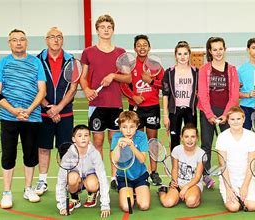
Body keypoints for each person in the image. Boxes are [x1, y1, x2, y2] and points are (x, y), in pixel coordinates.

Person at [0, 29, 46, 208]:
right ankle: (7, 192)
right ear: (9, 43)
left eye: (22, 39)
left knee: (30, 155)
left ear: (26, 42)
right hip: (8, 117)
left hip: (32, 117)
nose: (19, 43)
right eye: (14, 40)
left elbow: (42, 91)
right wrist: (14, 111)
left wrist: (29, 110)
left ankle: (28, 188)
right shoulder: (3, 63)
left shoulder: (36, 63)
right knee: (8, 155)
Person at [79, 14, 132, 190]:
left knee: (114, 142)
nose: (106, 29)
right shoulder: (88, 52)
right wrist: (86, 90)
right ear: (97, 30)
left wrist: (113, 76)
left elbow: (128, 78)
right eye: (102, 27)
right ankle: (99, 175)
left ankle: (115, 177)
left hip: (115, 104)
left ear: (113, 30)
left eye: (109, 26)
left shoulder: (120, 53)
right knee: (98, 142)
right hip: (96, 105)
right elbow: (83, 77)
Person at [34, 27, 78, 196]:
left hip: (65, 113)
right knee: (44, 148)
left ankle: (67, 180)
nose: (56, 40)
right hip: (43, 113)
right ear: (46, 40)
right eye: (52, 37)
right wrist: (48, 107)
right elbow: (35, 86)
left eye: (59, 37)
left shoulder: (71, 61)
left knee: (65, 148)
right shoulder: (38, 60)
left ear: (62, 39)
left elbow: (73, 88)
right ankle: (42, 181)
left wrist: (58, 108)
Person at [121, 34, 164, 186]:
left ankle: (154, 172)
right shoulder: (129, 65)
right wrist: (133, 96)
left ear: (149, 47)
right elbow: (123, 85)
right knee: (134, 140)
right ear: (134, 48)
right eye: (139, 45)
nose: (142, 47)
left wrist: (151, 81)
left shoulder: (155, 65)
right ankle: (136, 171)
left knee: (152, 140)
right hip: (135, 109)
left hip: (152, 107)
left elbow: (163, 85)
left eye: (144, 44)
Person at [198, 37, 239, 189]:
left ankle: (231, 173)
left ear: (225, 49)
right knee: (206, 145)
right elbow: (202, 94)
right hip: (207, 111)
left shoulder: (232, 70)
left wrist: (226, 114)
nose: (218, 52)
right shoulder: (204, 70)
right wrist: (209, 114)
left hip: (226, 112)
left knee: (228, 144)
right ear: (210, 51)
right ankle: (206, 175)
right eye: (214, 49)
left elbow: (234, 95)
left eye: (220, 49)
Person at [55, 125, 110, 217]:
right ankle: (75, 198)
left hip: (90, 177)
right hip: (76, 179)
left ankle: (92, 193)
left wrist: (105, 205)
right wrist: (62, 206)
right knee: (71, 178)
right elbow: (61, 181)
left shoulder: (95, 154)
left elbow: (103, 178)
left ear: (89, 137)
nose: (83, 138)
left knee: (92, 183)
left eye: (86, 135)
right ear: (73, 139)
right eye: (79, 136)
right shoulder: (68, 155)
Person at [215, 106, 255, 212]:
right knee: (234, 207)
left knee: (252, 206)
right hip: (229, 179)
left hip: (246, 178)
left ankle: (244, 192)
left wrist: (245, 186)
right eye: (232, 119)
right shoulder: (222, 137)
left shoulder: (251, 136)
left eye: (238, 119)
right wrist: (229, 188)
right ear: (228, 121)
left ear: (243, 119)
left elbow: (251, 164)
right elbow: (223, 166)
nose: (236, 122)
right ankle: (229, 193)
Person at [161, 41, 199, 151]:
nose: (183, 57)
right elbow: (165, 94)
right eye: (179, 54)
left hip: (190, 111)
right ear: (175, 56)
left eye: (185, 54)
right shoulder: (169, 72)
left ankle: (191, 164)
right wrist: (165, 115)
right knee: (175, 141)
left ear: (189, 55)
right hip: (174, 111)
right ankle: (175, 167)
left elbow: (201, 91)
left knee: (191, 139)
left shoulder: (196, 72)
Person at [111, 111, 150, 212]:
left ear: (137, 126)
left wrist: (131, 145)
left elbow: (142, 160)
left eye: (132, 127)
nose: (128, 131)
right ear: (120, 127)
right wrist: (118, 145)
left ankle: (139, 190)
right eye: (124, 127)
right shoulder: (116, 137)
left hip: (140, 176)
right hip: (124, 177)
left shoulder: (142, 136)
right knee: (127, 207)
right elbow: (114, 160)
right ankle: (129, 191)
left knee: (144, 206)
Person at [158, 123, 204, 208]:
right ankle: (162, 192)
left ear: (197, 138)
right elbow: (175, 169)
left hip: (193, 184)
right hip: (179, 182)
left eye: (193, 137)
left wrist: (186, 188)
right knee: (167, 203)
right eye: (186, 137)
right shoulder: (177, 150)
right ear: (181, 138)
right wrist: (174, 181)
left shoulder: (201, 154)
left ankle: (193, 195)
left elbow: (197, 177)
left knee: (191, 202)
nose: (189, 140)